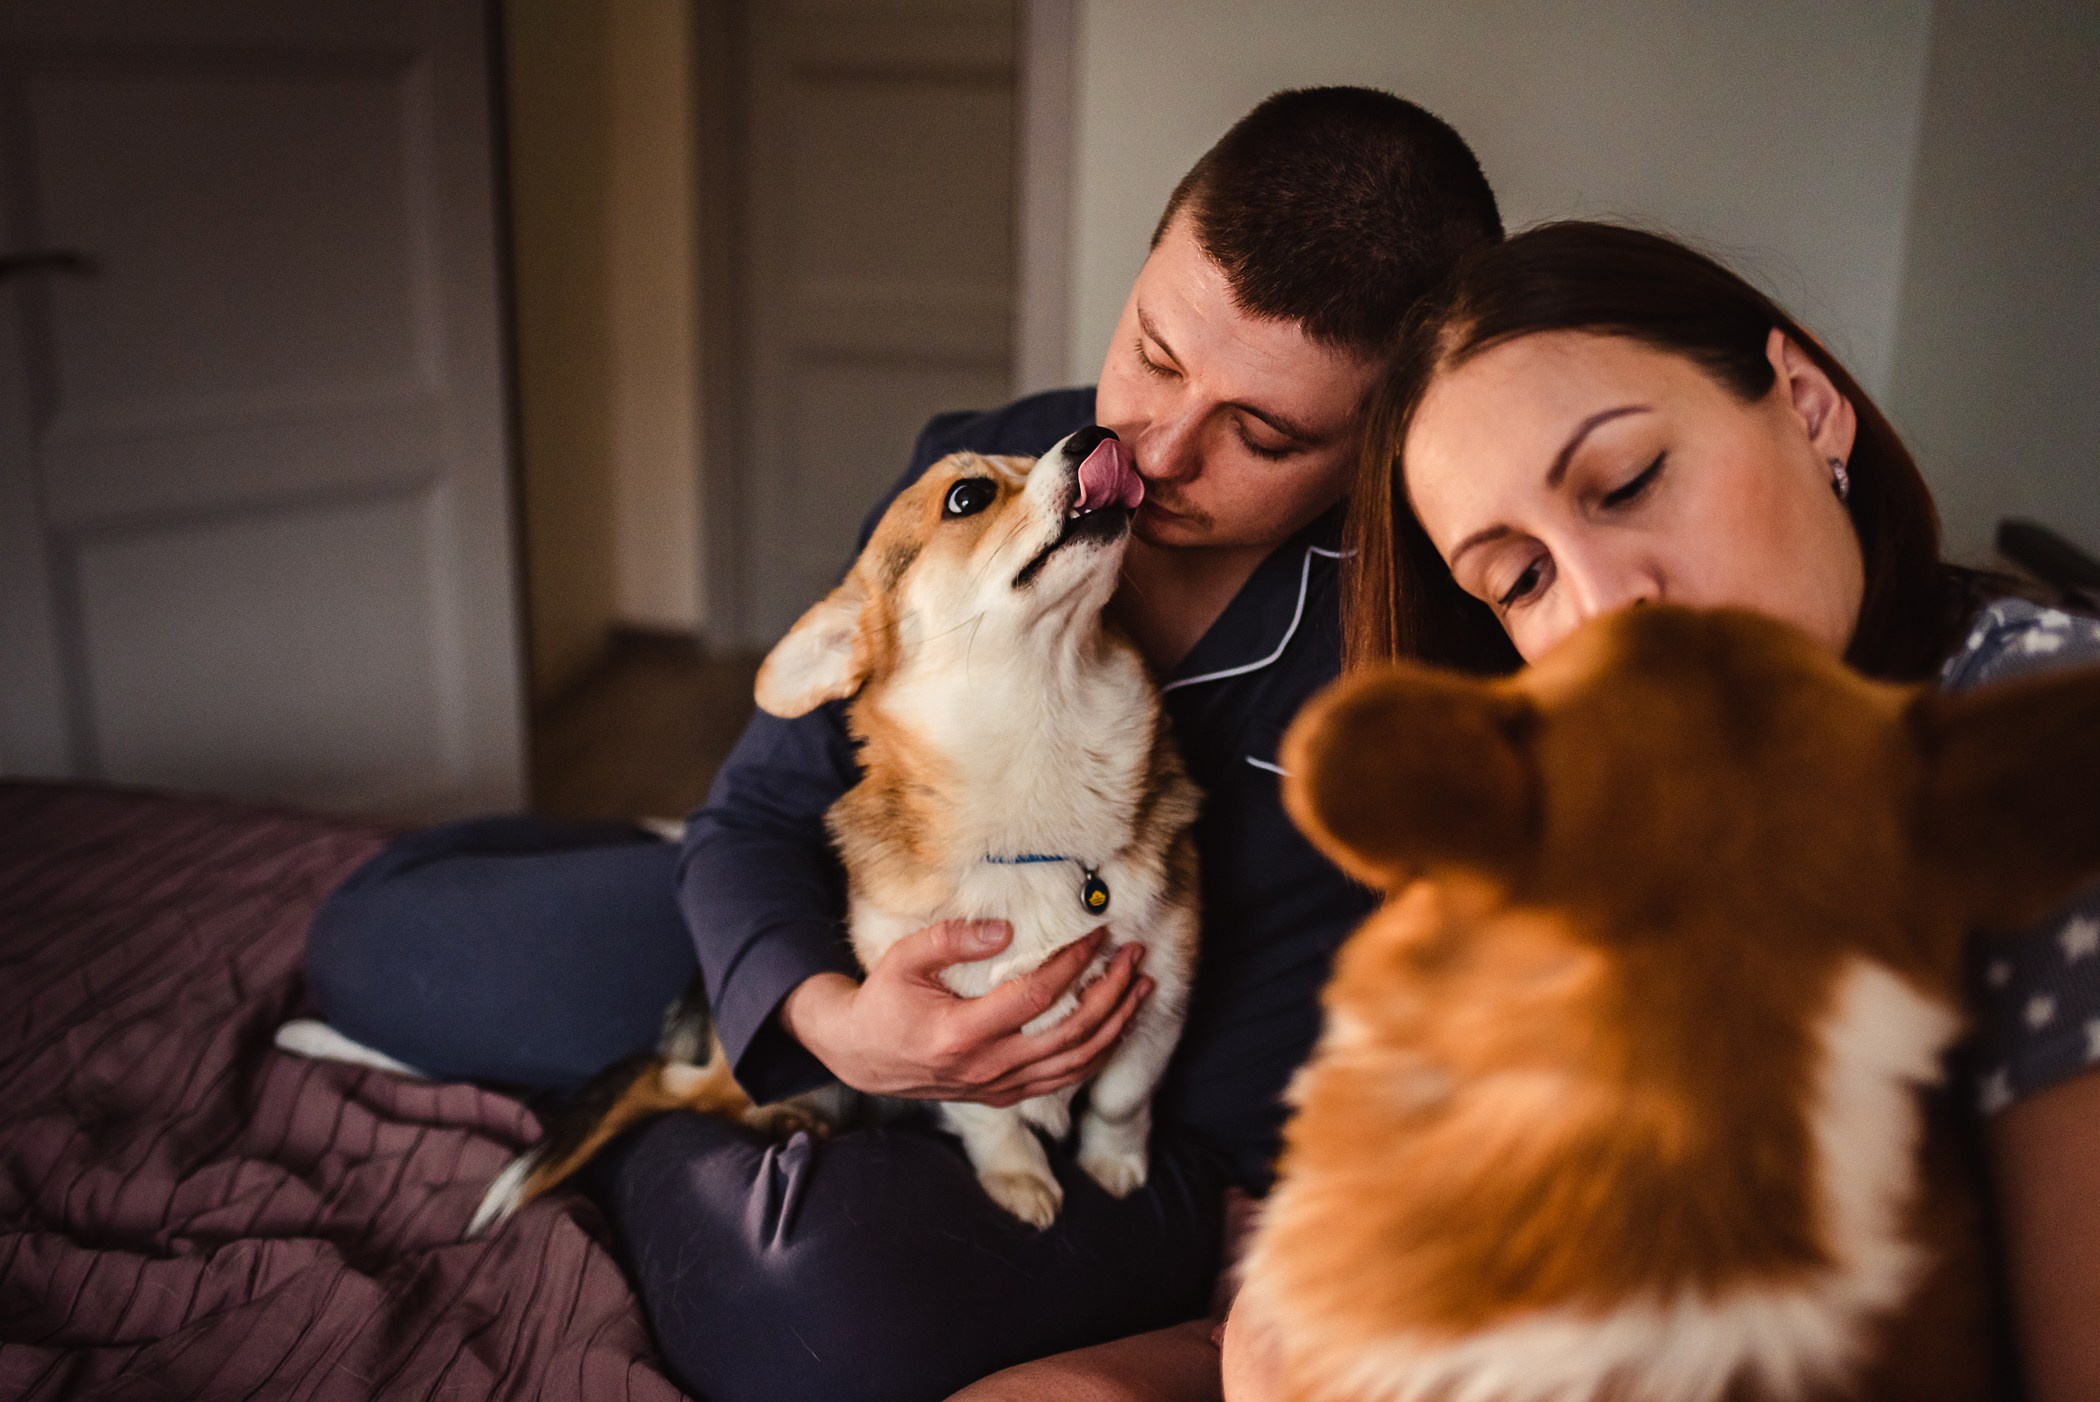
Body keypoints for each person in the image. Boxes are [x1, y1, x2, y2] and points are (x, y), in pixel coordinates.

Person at [304, 87, 1503, 1402]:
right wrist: (831, 1019)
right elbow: (760, 813)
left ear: (1382, 442)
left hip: (1135, 1139)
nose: (1155, 451)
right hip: (862, 938)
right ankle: (706, 1035)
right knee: (374, 944)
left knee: (815, 1313)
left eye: (1263, 434)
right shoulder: (985, 468)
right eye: (1155, 352)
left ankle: (666, 1119)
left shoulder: (1444, 632)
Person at [1221, 220, 2100, 1401]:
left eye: (1629, 483)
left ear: (1807, 401)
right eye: (1518, 579)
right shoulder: (1588, 818)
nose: (1605, 602)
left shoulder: (2034, 725)